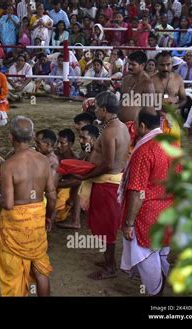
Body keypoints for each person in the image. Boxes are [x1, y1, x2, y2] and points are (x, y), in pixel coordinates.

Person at [0, 116, 56, 296]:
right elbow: (52, 195)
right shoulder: (44, 161)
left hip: (15, 224)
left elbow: (8, 203)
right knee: (40, 267)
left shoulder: (9, 165)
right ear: (31, 136)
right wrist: (49, 217)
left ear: (11, 137)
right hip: (37, 218)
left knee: (12, 270)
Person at [74, 91, 130, 280]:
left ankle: (110, 266)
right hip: (111, 181)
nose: (94, 110)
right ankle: (108, 261)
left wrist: (85, 176)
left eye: (96, 108)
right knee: (106, 224)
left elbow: (107, 163)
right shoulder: (120, 126)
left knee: (107, 226)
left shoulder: (109, 131)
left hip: (108, 183)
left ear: (104, 110)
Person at [119, 108, 174, 296]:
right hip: (168, 211)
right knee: (160, 252)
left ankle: (156, 293)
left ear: (142, 126)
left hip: (147, 216)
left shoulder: (144, 151)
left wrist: (129, 223)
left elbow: (136, 191)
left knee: (146, 257)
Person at [119, 51, 155, 149]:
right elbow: (122, 100)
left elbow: (150, 109)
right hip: (119, 123)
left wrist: (144, 131)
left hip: (135, 128)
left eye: (133, 64)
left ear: (142, 65)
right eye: (129, 64)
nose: (129, 67)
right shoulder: (126, 79)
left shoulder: (147, 84)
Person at [151, 51, 186, 146]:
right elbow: (146, 100)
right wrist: (158, 110)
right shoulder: (151, 81)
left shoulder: (178, 79)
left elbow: (184, 99)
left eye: (168, 64)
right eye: (162, 65)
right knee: (158, 150)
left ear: (172, 64)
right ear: (157, 65)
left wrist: (176, 106)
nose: (165, 68)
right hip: (155, 121)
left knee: (174, 150)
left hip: (173, 119)